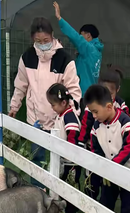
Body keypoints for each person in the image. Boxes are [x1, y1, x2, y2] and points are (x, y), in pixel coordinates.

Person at [8, 17, 81, 186]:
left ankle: (59, 197)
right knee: (37, 160)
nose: (42, 44)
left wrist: (72, 114)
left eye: (46, 40)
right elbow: (21, 85)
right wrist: (14, 106)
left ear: (53, 36)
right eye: (38, 41)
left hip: (59, 121)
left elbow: (74, 90)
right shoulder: (27, 57)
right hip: (36, 120)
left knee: (62, 163)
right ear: (33, 39)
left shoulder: (65, 59)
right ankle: (38, 194)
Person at [84, 85, 130, 213]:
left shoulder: (126, 123)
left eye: (95, 111)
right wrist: (102, 166)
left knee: (128, 206)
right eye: (91, 112)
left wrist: (112, 165)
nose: (94, 116)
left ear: (109, 107)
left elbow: (128, 148)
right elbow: (96, 149)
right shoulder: (96, 127)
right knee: (105, 201)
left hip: (129, 172)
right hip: (109, 173)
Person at [46, 83, 82, 213]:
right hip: (64, 159)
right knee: (63, 184)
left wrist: (70, 153)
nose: (52, 107)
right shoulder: (62, 115)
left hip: (71, 160)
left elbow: (72, 134)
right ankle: (65, 209)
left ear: (63, 102)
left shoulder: (69, 116)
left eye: (53, 104)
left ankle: (72, 212)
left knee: (71, 186)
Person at [53, 2, 103, 95]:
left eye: (82, 35)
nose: (80, 37)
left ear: (88, 35)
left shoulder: (89, 50)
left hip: (83, 93)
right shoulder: (96, 51)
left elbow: (76, 38)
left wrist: (59, 18)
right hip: (90, 93)